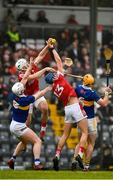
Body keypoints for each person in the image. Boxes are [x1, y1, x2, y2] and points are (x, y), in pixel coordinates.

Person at [45, 39, 88, 171]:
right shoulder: (59, 76)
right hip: (75, 107)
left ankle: (57, 155)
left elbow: (58, 71)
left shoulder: (53, 87)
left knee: (65, 135)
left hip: (67, 110)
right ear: (54, 76)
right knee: (85, 132)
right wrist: (52, 49)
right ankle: (80, 154)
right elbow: (58, 60)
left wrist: (61, 72)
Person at [7, 58, 53, 170]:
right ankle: (37, 164)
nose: (23, 85)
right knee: (37, 141)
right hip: (19, 126)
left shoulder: (13, 96)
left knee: (25, 142)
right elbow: (39, 94)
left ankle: (12, 159)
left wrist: (31, 66)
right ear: (21, 90)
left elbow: (25, 79)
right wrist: (48, 88)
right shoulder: (26, 100)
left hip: (13, 125)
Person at [72, 73, 111, 171]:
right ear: (92, 83)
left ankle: (74, 161)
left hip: (80, 119)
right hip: (90, 119)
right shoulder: (92, 93)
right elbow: (104, 103)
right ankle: (86, 166)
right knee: (91, 143)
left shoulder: (77, 89)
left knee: (79, 142)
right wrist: (106, 93)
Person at [15, 43, 50, 139]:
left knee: (45, 108)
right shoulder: (21, 76)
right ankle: (24, 139)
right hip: (26, 97)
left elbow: (41, 55)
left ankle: (43, 129)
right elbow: (34, 76)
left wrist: (48, 46)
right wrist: (45, 69)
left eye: (22, 68)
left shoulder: (31, 65)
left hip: (36, 93)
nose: (21, 71)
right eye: (20, 70)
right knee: (28, 122)